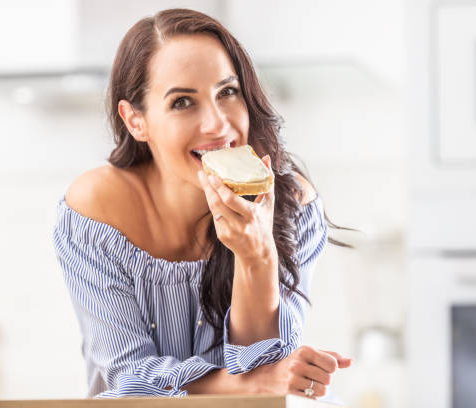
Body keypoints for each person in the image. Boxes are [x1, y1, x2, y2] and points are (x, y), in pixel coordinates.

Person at [53, 8, 351, 400]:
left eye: (228, 92)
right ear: (135, 120)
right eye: (182, 102)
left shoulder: (290, 206)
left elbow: (266, 377)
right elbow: (129, 380)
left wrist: (256, 255)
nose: (217, 125)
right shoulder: (96, 212)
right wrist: (254, 383)